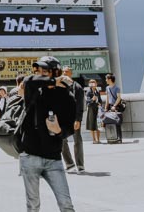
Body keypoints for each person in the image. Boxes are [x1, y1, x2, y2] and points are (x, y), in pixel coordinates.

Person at [19, 56, 78, 212]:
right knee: (33, 205)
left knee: (66, 204)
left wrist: (59, 130)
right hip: (30, 156)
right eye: (39, 70)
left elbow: (70, 128)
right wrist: (53, 81)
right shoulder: (34, 90)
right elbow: (28, 80)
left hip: (54, 158)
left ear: (55, 72)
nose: (41, 74)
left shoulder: (67, 97)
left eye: (46, 70)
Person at [60, 66, 86, 172]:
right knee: (62, 140)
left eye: (66, 72)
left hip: (74, 118)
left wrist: (78, 119)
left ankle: (80, 165)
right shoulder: (60, 86)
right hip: (62, 119)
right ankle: (69, 164)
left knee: (77, 140)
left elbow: (80, 105)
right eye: (63, 72)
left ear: (71, 73)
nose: (64, 73)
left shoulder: (77, 87)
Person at [84, 79, 101, 145]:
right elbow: (87, 101)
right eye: (91, 83)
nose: (93, 84)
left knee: (98, 124)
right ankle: (94, 139)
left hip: (97, 109)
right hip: (91, 109)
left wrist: (99, 103)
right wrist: (92, 99)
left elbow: (100, 100)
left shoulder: (97, 91)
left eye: (94, 82)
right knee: (92, 124)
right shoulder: (88, 92)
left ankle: (98, 139)